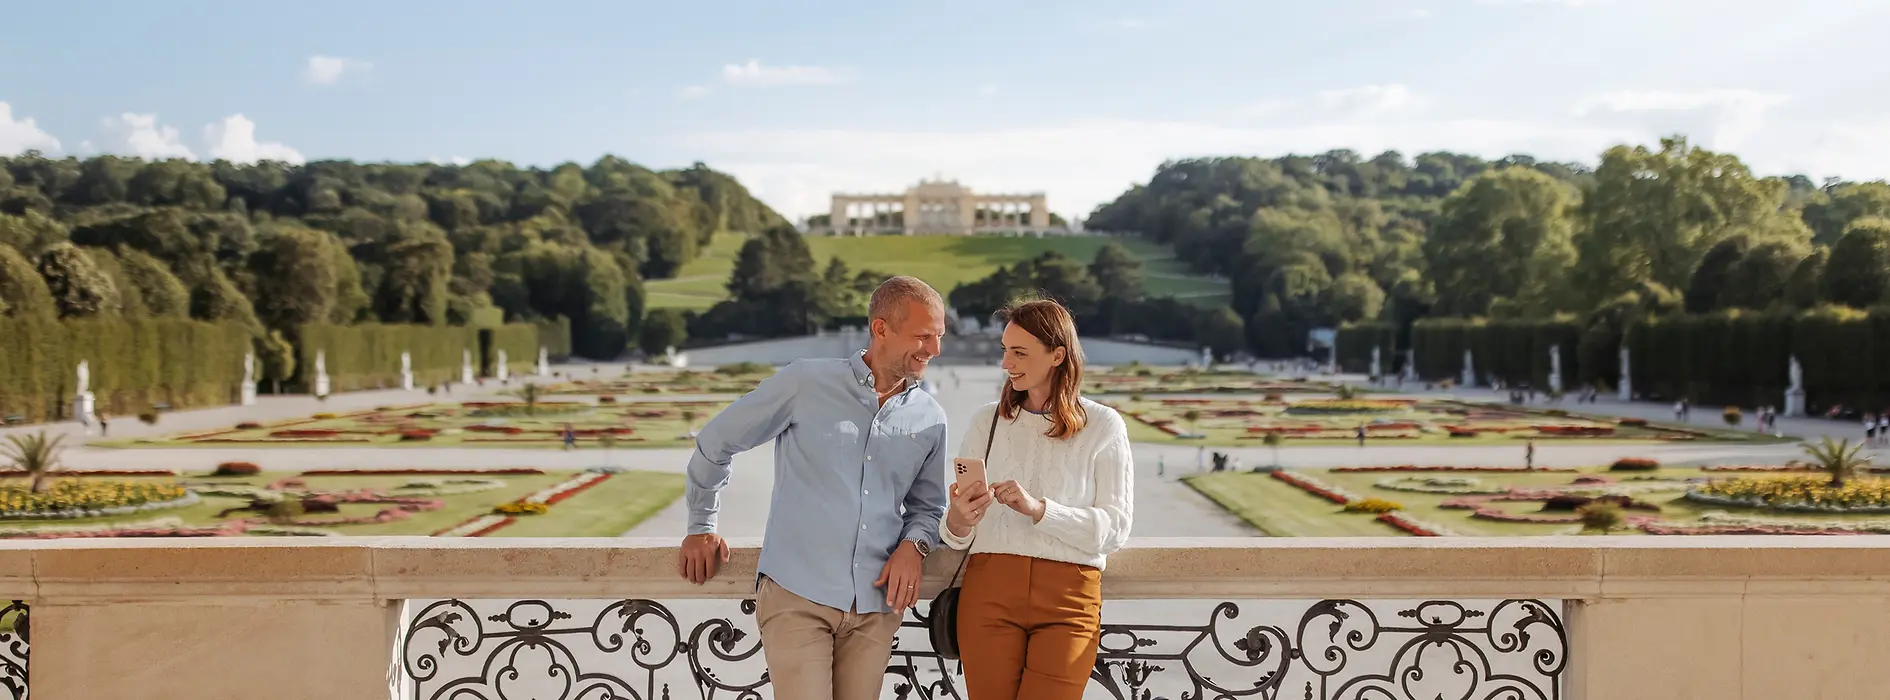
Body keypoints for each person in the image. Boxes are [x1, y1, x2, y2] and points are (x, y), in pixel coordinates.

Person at [677, 276, 950, 700]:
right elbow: (717, 441)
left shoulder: (930, 416)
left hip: (875, 607)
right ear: (881, 329)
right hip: (797, 595)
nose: (933, 350)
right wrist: (701, 524)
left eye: (938, 337)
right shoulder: (805, 383)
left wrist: (913, 547)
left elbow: (928, 508)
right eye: (922, 336)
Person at [943, 298, 1134, 700]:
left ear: (1057, 354)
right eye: (1004, 351)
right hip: (989, 593)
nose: (1005, 363)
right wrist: (959, 519)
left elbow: (1115, 529)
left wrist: (1040, 510)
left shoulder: (1103, 425)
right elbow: (958, 535)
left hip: (1069, 599)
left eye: (1019, 352)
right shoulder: (986, 421)